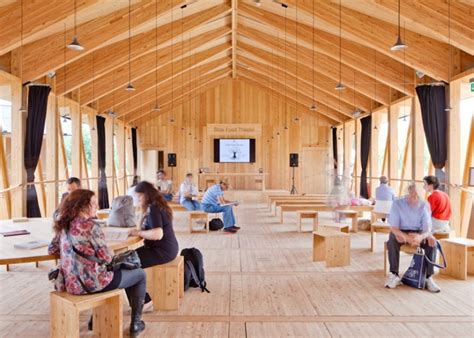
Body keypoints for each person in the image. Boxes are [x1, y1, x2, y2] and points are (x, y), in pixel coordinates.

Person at [48, 189, 147, 335]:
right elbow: (107, 258)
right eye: (93, 203)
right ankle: (136, 324)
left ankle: (94, 320)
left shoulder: (64, 225)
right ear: (83, 206)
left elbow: (52, 249)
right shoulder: (91, 226)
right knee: (139, 274)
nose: (97, 206)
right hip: (94, 283)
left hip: (70, 284)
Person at [130, 181, 179, 311]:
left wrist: (139, 232)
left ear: (147, 195)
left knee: (126, 264)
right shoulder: (153, 206)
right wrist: (141, 212)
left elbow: (158, 234)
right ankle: (141, 301)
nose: (137, 199)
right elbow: (141, 228)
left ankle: (144, 302)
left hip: (162, 251)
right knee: (126, 259)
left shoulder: (154, 209)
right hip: (164, 248)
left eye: (140, 196)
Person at [384, 183, 440, 293]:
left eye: (418, 195)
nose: (415, 198)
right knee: (392, 239)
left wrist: (421, 237)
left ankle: (428, 277)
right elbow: (394, 228)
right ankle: (394, 274)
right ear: (408, 193)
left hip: (418, 231)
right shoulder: (397, 204)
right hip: (401, 230)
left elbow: (427, 228)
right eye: (413, 194)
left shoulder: (424, 205)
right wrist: (406, 237)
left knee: (432, 242)